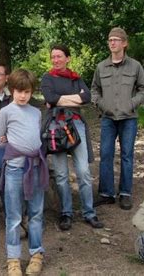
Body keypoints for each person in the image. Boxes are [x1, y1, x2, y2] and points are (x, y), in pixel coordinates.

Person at [41, 45, 104, 231]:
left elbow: (87, 97)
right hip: (55, 126)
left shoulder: (76, 78)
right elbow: (49, 97)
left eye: (59, 56)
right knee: (61, 174)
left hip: (75, 125)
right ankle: (66, 213)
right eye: (53, 57)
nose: (56, 60)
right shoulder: (47, 78)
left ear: (68, 58)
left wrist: (58, 99)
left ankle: (89, 212)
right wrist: (71, 99)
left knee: (83, 171)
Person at [0, 69, 49, 276]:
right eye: (18, 91)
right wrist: (10, 142)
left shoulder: (36, 113)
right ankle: (13, 258)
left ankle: (36, 254)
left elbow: (36, 137)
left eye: (26, 91)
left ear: (32, 91)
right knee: (14, 215)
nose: (22, 96)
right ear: (11, 90)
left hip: (35, 167)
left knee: (36, 212)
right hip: (15, 169)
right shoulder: (6, 112)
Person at [91, 27, 144, 210]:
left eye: (116, 40)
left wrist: (131, 104)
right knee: (106, 154)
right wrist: (101, 104)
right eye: (110, 40)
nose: (112, 43)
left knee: (127, 156)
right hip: (108, 118)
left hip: (128, 118)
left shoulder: (135, 66)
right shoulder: (101, 66)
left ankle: (125, 193)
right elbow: (94, 89)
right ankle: (106, 193)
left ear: (124, 43)